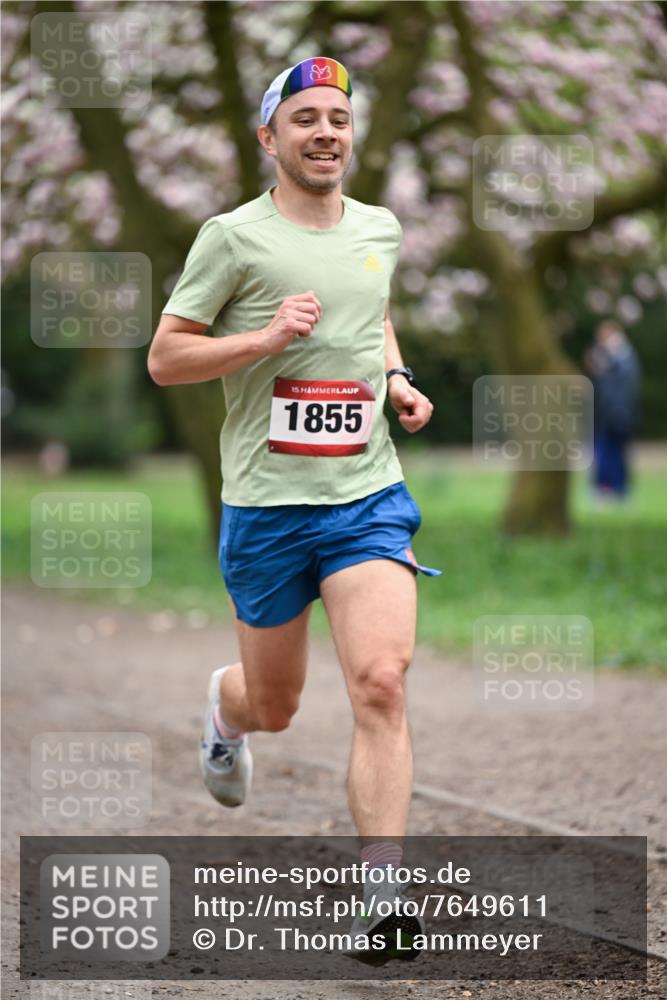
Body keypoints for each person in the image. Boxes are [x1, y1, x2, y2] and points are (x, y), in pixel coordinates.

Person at [148, 56, 439, 964]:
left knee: (381, 682)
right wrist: (266, 338)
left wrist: (393, 376)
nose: (325, 133)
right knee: (275, 705)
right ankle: (224, 714)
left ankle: (383, 896)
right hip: (268, 507)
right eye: (305, 118)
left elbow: (371, 309)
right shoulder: (230, 239)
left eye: (338, 119)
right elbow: (165, 357)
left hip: (364, 495)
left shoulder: (379, 227)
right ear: (269, 138)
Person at [585, 320, 640, 501]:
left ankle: (616, 488)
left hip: (618, 413)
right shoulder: (616, 356)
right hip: (609, 413)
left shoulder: (623, 356)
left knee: (613, 451)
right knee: (606, 451)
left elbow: (619, 385)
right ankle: (607, 487)